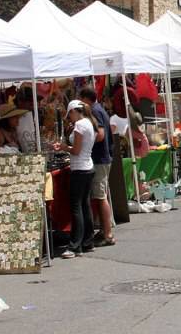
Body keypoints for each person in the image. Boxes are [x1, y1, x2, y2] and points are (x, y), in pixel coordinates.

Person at [56, 100, 97, 259]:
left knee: (77, 207)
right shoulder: (89, 123)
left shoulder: (80, 125)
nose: (70, 118)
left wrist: (63, 147)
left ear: (74, 111)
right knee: (85, 205)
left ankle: (75, 246)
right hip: (87, 167)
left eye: (70, 114)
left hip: (80, 168)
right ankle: (88, 241)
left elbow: (76, 150)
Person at [79, 88, 115, 247]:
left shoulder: (94, 111)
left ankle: (107, 234)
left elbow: (100, 135)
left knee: (100, 197)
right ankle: (104, 230)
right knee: (102, 195)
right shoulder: (99, 109)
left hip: (100, 158)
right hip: (103, 157)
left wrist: (84, 141)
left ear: (86, 99)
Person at [14, 87, 40, 153]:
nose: (33, 105)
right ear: (20, 101)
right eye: (30, 102)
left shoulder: (31, 113)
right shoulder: (13, 118)